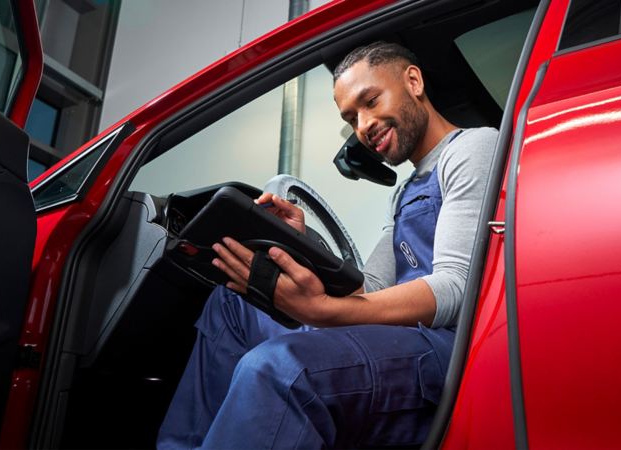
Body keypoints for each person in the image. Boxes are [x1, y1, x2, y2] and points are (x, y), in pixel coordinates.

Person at [157, 41, 498, 449]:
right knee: (232, 304)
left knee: (282, 368)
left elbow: (457, 288)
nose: (364, 125)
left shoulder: (472, 148)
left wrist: (325, 312)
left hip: (449, 349)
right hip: (402, 337)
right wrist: (303, 244)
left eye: (370, 101)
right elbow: (369, 288)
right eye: (351, 118)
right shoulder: (405, 193)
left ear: (413, 81)